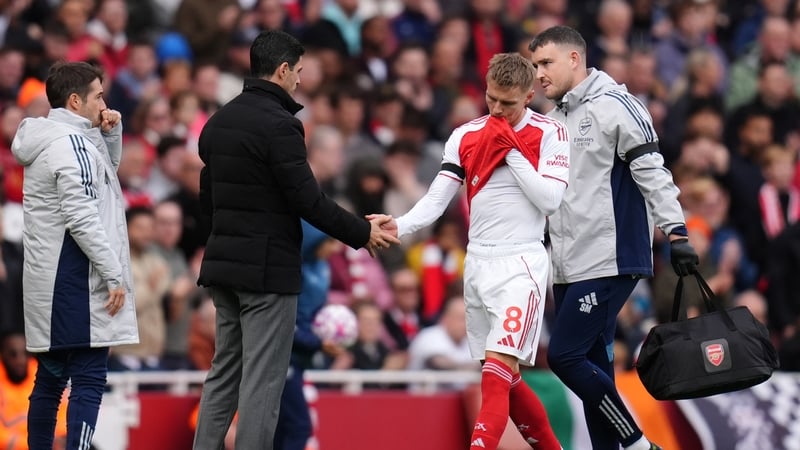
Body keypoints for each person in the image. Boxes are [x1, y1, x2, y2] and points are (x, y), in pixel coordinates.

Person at [192, 29, 399, 450]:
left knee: (224, 374)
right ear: (283, 70)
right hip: (267, 274)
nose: (301, 80)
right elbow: (308, 200)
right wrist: (363, 232)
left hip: (223, 268)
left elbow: (206, 203)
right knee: (263, 383)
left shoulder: (218, 122)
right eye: (299, 71)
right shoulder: (282, 126)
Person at [376, 52, 569, 450]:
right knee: (505, 379)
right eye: (491, 99)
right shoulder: (465, 135)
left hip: (521, 263)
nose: (497, 109)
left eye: (508, 103)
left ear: (529, 95)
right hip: (478, 262)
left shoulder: (550, 133)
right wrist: (402, 223)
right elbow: (438, 196)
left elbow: (550, 199)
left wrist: (510, 148)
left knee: (496, 372)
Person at [528, 25, 699, 450]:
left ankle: (641, 445)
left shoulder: (618, 105)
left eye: (546, 63)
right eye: (534, 66)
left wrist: (676, 232)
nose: (539, 74)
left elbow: (653, 172)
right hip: (569, 263)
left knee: (565, 357)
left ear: (574, 59)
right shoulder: (553, 120)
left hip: (611, 256)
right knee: (592, 364)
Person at [11, 61, 137, 450]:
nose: (105, 103)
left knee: (50, 376)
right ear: (76, 99)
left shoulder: (53, 139)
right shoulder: (71, 144)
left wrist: (110, 135)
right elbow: (83, 216)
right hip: (77, 277)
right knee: (89, 376)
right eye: (99, 95)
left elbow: (101, 185)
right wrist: (113, 274)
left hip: (51, 278)